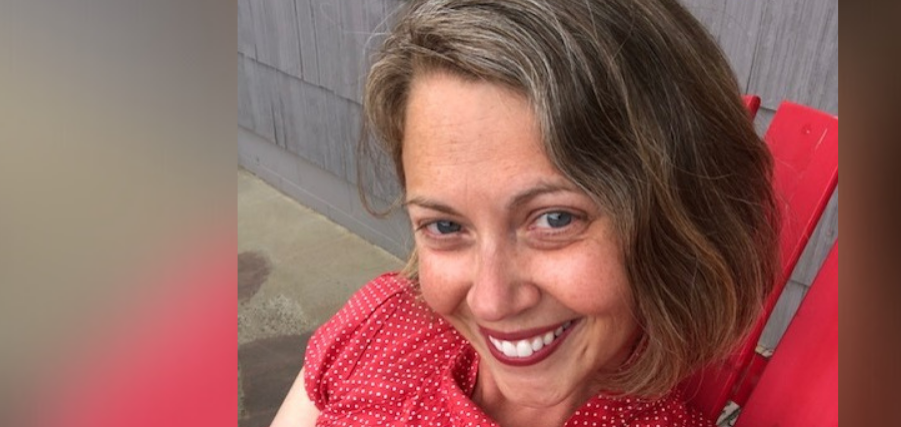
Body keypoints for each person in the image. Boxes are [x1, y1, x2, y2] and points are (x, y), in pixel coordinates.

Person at [271, 0, 778, 425]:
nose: (491, 302)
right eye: (445, 226)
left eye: (555, 219)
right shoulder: (381, 320)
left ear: (678, 222)